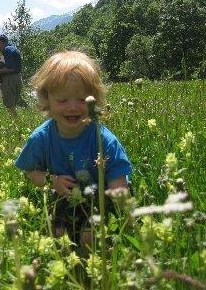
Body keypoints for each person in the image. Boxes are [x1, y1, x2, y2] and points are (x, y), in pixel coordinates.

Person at [14, 50, 132, 250]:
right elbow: (31, 172)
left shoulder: (103, 139)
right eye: (62, 101)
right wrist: (51, 181)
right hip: (65, 196)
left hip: (102, 197)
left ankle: (90, 273)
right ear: (47, 100)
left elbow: (118, 186)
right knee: (58, 236)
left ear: (94, 100)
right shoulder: (41, 138)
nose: (73, 107)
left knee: (90, 236)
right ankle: (69, 268)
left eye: (81, 100)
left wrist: (128, 221)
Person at [0, 35, 22, 115]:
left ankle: (14, 124)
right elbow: (4, 65)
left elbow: (10, 68)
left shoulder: (6, 50)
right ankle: (15, 122)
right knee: (12, 104)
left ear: (0, 42)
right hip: (16, 78)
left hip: (10, 80)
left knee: (9, 104)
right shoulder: (11, 49)